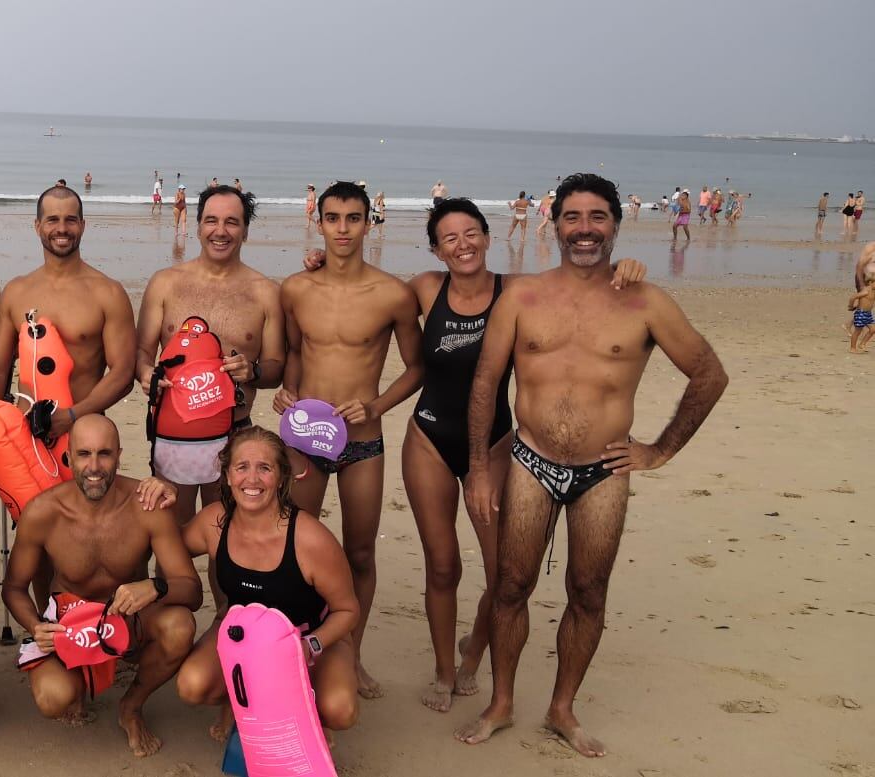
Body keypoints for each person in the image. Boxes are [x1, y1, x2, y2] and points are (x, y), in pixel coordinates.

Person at [304, 199, 643, 713]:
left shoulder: (520, 291)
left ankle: (473, 656)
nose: (461, 245)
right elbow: (362, 294)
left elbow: (577, 282)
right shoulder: (423, 288)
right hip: (429, 438)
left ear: (488, 237)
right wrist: (318, 264)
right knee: (441, 566)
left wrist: (621, 269)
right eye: (449, 238)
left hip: (498, 442)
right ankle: (445, 670)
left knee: (503, 573)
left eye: (471, 234)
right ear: (436, 249)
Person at [457, 173, 728, 757]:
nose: (585, 229)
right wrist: (479, 469)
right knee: (510, 587)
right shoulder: (522, 297)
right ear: (555, 225)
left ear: (616, 225)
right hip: (530, 460)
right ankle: (502, 702)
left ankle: (561, 709)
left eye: (597, 217)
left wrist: (659, 449)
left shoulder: (646, 301)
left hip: (603, 472)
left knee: (588, 591)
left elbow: (709, 374)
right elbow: (485, 383)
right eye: (573, 217)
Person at [275, 181, 422, 699]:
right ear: (320, 221)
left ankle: (350, 655)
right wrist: (289, 389)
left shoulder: (391, 294)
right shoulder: (296, 288)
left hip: (362, 439)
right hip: (306, 438)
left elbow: (418, 365)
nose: (342, 229)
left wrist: (377, 404)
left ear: (368, 223)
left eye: (353, 218)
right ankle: (296, 646)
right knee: (296, 546)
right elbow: (294, 352)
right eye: (333, 218)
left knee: (359, 552)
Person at [2, 415, 201, 758]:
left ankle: (132, 706)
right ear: (68, 458)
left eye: (104, 454)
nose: (94, 466)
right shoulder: (43, 511)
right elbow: (13, 588)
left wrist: (155, 587)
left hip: (128, 623)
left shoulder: (145, 505)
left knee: (179, 626)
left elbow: (192, 590)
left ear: (119, 455)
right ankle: (80, 676)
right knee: (54, 699)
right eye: (84, 454)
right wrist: (35, 626)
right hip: (70, 628)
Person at [175, 425, 360, 741]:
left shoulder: (309, 539)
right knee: (192, 685)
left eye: (265, 468)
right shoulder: (214, 522)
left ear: (281, 477)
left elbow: (347, 610)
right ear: (228, 476)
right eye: (242, 467)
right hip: (242, 636)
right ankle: (238, 703)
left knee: (339, 709)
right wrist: (155, 499)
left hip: (308, 635)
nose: (252, 479)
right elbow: (166, 544)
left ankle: (308, 719)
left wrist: (310, 646)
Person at [137, 185, 284, 528]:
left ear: (246, 230)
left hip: (236, 434)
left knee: (231, 541)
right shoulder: (165, 283)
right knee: (174, 538)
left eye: (232, 222)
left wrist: (253, 371)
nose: (220, 231)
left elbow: (277, 368)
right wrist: (146, 373)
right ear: (198, 225)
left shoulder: (266, 293)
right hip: (175, 433)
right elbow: (142, 351)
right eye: (211, 221)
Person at [0, 186, 136, 464]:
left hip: (84, 436)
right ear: (37, 226)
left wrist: (72, 415)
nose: (61, 228)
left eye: (70, 220)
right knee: (28, 509)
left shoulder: (108, 293)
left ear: (83, 226)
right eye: (52, 220)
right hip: (25, 433)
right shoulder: (17, 291)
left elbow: (123, 374)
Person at [848, 285, 875, 353]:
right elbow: (853, 297)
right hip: (861, 313)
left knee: (873, 329)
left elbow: (868, 300)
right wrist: (851, 306)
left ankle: (862, 344)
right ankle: (852, 348)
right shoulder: (866, 291)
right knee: (857, 331)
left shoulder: (873, 291)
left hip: (868, 313)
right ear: (871, 282)